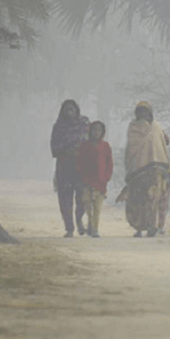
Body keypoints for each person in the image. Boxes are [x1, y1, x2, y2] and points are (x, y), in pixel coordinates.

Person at [116, 102, 170, 237]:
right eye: (140, 112)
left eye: (145, 112)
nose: (143, 115)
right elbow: (131, 147)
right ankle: (139, 227)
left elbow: (166, 141)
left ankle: (152, 225)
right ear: (136, 113)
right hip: (138, 169)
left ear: (150, 114)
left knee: (153, 197)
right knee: (137, 198)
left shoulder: (156, 127)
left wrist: (159, 137)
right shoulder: (133, 127)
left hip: (156, 167)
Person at [50, 99, 90, 237]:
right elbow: (54, 148)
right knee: (65, 199)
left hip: (81, 166)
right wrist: (66, 150)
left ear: (76, 110)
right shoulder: (59, 127)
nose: (69, 112)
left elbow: (91, 143)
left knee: (82, 198)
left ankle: (79, 219)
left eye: (71, 109)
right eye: (66, 110)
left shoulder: (84, 124)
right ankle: (69, 228)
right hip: (64, 166)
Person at [76, 121, 113, 238]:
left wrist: (107, 176)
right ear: (90, 131)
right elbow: (80, 162)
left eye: (99, 130)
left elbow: (109, 163)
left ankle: (95, 229)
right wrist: (81, 176)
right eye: (94, 130)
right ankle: (90, 222)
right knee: (87, 204)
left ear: (102, 132)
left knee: (97, 206)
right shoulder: (85, 146)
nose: (96, 132)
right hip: (87, 180)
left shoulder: (105, 146)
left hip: (100, 181)